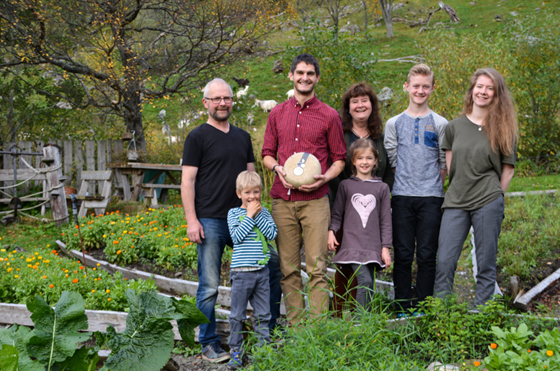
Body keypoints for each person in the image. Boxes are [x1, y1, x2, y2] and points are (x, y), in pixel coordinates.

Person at [262, 53, 346, 323]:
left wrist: (326, 178)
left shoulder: (329, 115)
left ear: (317, 77)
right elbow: (266, 154)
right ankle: (298, 330)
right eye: (300, 73)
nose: (305, 77)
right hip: (282, 200)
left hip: (316, 201)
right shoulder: (277, 113)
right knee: (288, 269)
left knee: (318, 267)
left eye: (310, 73)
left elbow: (340, 159)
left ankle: (318, 330)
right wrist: (277, 169)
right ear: (291, 76)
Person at [181, 78, 255, 363]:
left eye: (227, 98)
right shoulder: (197, 137)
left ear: (232, 101)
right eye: (216, 99)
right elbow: (187, 181)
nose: (222, 103)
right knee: (210, 285)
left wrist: (255, 214)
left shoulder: (243, 137)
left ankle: (256, 333)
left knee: (255, 275)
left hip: (241, 220)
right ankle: (209, 342)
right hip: (210, 219)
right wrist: (192, 220)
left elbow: (251, 180)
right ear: (206, 103)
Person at [434, 68, 517, 306]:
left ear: (496, 94)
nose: (483, 92)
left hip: (488, 200)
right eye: (480, 86)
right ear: (472, 90)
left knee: (485, 263)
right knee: (445, 262)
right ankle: (441, 316)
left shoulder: (504, 129)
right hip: (456, 201)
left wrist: (495, 198)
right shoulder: (453, 127)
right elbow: (451, 168)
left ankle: (482, 319)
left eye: (490, 88)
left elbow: (507, 170)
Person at [384, 64, 448, 314]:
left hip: (432, 197)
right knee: (402, 254)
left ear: (432, 88)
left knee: (426, 254)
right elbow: (393, 159)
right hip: (401, 197)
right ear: (406, 87)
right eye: (416, 86)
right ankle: (401, 306)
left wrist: (431, 184)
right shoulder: (394, 123)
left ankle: (423, 306)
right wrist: (408, 182)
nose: (420, 91)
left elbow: (443, 162)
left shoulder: (441, 123)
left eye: (425, 86)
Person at [328, 82, 394, 315]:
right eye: (354, 101)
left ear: (372, 105)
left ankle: (361, 317)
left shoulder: (381, 137)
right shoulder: (340, 135)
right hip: (344, 207)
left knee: (367, 268)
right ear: (347, 107)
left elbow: (388, 173)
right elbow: (334, 171)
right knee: (346, 267)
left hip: (373, 209)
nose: (359, 105)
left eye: (364, 100)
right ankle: (337, 315)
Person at [226, 171, 278, 369]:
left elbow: (272, 233)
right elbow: (237, 238)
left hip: (261, 272)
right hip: (241, 273)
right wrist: (249, 215)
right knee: (237, 314)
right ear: (239, 193)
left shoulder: (264, 213)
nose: (252, 196)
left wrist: (257, 215)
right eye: (247, 192)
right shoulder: (233, 213)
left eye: (256, 192)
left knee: (263, 314)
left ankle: (262, 349)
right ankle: (236, 350)